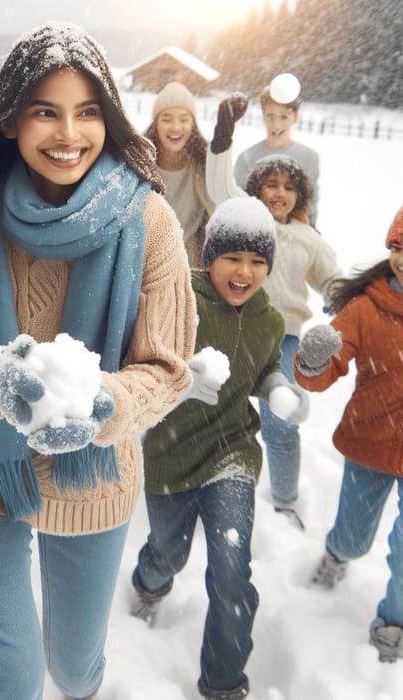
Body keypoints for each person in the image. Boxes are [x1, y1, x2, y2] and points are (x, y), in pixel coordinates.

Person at [0, 23, 196, 700]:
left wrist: (103, 406)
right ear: (10, 123)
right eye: (45, 111)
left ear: (109, 119)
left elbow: (167, 367)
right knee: (6, 676)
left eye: (87, 112)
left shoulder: (149, 223)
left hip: (96, 468)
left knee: (72, 667)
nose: (68, 133)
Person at [132, 196, 309, 700]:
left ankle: (224, 684)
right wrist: (180, 380)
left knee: (232, 573)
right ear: (210, 258)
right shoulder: (176, 299)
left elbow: (266, 364)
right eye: (233, 258)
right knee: (170, 553)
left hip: (232, 453)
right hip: (170, 453)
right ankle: (150, 582)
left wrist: (277, 388)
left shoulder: (268, 319)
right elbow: (141, 355)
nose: (244, 271)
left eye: (257, 261)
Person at [206, 93, 341, 529]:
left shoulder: (308, 238)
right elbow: (216, 185)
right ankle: (215, 486)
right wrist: (224, 134)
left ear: (300, 195)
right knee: (219, 412)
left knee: (282, 420)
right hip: (237, 330)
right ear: (256, 189)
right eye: (270, 184)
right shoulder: (246, 222)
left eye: (289, 187)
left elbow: (333, 280)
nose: (279, 193)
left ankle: (284, 500)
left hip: (283, 338)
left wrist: (350, 298)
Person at [294, 206, 403, 663]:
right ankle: (337, 555)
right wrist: (313, 361)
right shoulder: (366, 308)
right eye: (398, 247)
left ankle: (393, 621)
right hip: (370, 443)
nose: (402, 259)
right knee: (354, 538)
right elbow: (323, 371)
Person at [145, 81, 214, 267]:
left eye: (184, 119)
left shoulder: (203, 166)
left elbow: (222, 207)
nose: (176, 127)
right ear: (156, 124)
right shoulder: (139, 165)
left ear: (193, 125)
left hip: (190, 267)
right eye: (166, 119)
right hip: (147, 264)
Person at [233, 83, 320, 226]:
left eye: (284, 117)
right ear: (263, 116)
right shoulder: (247, 157)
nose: (276, 125)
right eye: (270, 116)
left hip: (294, 237)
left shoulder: (309, 158)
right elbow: (236, 205)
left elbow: (311, 207)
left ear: (295, 117)